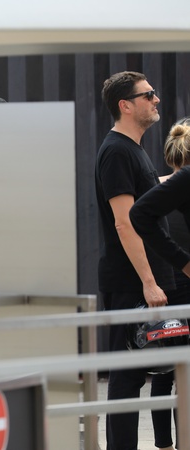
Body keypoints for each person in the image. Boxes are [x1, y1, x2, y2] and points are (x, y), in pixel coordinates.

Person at [94, 71, 174, 450]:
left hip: (146, 279)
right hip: (132, 282)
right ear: (125, 105)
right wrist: (148, 281)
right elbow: (124, 222)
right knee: (127, 377)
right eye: (148, 95)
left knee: (145, 370)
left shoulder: (133, 150)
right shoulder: (116, 151)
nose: (156, 99)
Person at [130, 118, 190, 450]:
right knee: (182, 374)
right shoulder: (177, 188)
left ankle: (165, 445)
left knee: (166, 372)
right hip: (183, 284)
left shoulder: (159, 188)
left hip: (168, 285)